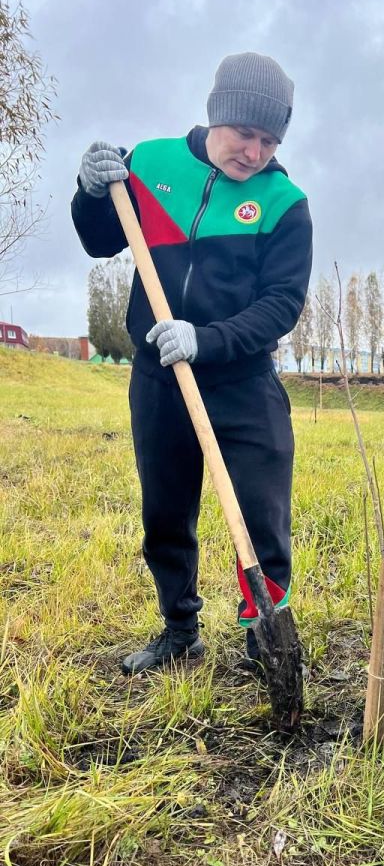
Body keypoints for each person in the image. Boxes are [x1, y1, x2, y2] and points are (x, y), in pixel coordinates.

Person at [71, 53, 313, 674]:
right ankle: (180, 629)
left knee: (262, 518)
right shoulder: (151, 165)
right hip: (159, 380)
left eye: (269, 140)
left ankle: (265, 637)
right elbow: (102, 239)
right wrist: (92, 191)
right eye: (245, 134)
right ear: (216, 117)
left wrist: (206, 340)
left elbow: (281, 304)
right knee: (165, 510)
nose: (255, 152)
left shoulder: (284, 203)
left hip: (241, 380)